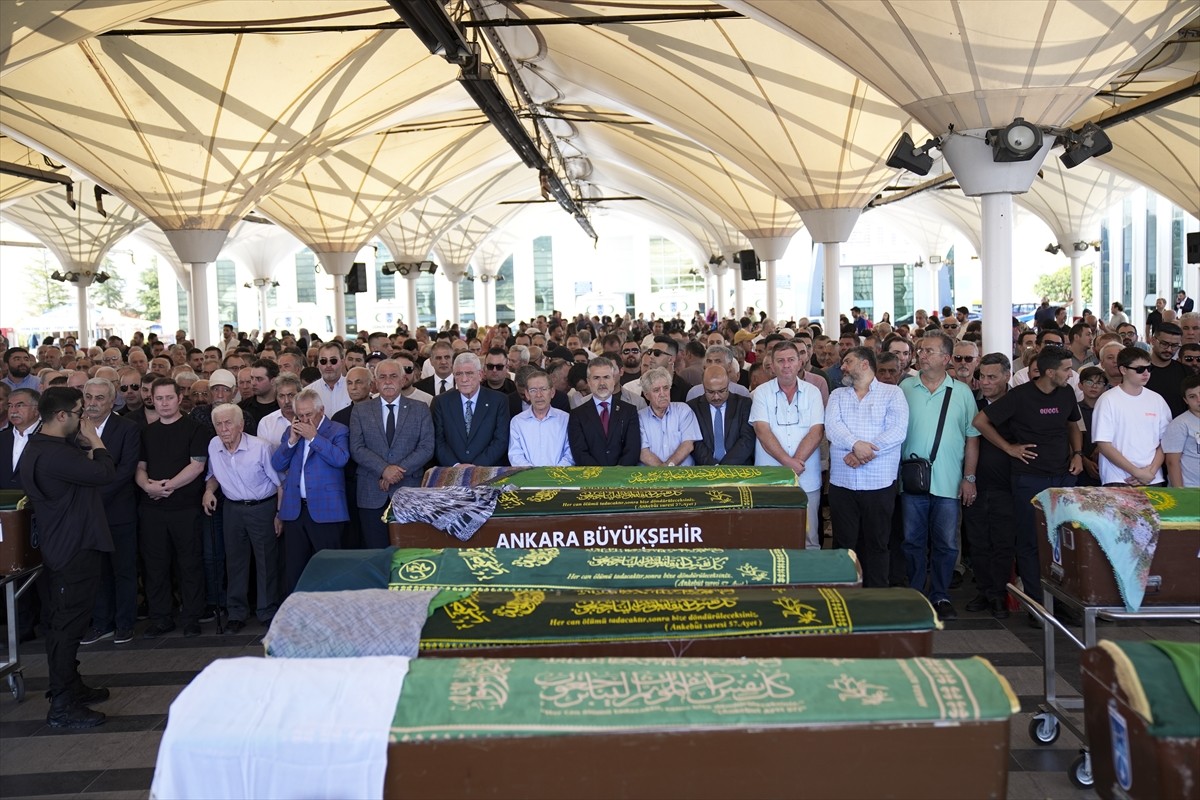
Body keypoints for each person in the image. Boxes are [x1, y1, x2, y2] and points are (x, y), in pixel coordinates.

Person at [21, 387, 115, 728]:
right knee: (67, 627)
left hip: (66, 545)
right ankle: (62, 705)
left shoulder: (44, 446)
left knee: (67, 623)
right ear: (61, 416)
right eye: (79, 413)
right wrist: (97, 442)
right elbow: (105, 473)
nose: (84, 418)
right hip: (72, 548)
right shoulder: (55, 454)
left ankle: (71, 686)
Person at [974, 347, 1082, 612]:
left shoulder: (1067, 392)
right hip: (1028, 478)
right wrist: (1008, 448)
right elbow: (980, 421)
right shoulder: (1019, 396)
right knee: (1030, 541)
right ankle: (1037, 603)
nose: (1071, 374)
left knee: (1062, 540)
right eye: (1067, 369)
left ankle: (1064, 600)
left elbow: (1073, 424)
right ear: (1049, 372)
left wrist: (1077, 453)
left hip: (1062, 477)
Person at [899, 332, 980, 621]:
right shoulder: (905, 387)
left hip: (948, 480)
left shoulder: (961, 392)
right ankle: (916, 593)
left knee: (946, 543)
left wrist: (968, 478)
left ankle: (941, 594)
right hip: (911, 481)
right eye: (920, 350)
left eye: (929, 351)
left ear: (946, 359)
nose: (922, 355)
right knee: (912, 541)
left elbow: (972, 438)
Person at [824, 346, 908, 587]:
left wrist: (863, 453)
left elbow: (896, 431)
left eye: (848, 361)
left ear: (864, 364)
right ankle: (845, 594)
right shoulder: (838, 395)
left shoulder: (892, 394)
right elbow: (833, 428)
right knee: (844, 543)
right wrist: (856, 445)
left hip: (879, 483)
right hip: (843, 483)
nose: (842, 367)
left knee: (878, 543)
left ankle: (876, 599)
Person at [202, 404, 281, 633]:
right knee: (235, 561)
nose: (223, 428)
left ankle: (267, 611)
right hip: (232, 509)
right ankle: (236, 613)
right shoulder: (214, 445)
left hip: (262, 507)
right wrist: (208, 491)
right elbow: (213, 475)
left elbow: (280, 483)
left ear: (241, 425)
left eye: (228, 423)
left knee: (266, 561)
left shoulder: (261, 448)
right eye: (219, 424)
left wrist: (279, 514)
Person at [77, 379, 141, 647]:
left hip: (118, 511)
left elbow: (126, 469)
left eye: (99, 398)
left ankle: (125, 623)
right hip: (86, 514)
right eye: (88, 397)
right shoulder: (74, 429)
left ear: (112, 401)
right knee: (96, 571)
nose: (92, 402)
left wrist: (94, 497)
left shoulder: (128, 428)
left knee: (123, 570)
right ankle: (101, 622)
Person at [270, 389, 350, 592]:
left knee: (329, 568)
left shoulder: (337, 430)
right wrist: (291, 442)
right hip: (295, 511)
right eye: (300, 415)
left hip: (326, 511)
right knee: (295, 568)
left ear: (321, 410)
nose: (305, 420)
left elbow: (340, 459)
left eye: (309, 415)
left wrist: (314, 438)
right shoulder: (292, 432)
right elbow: (278, 464)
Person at [349, 360, 435, 547]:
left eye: (393, 376)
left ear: (403, 379)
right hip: (371, 492)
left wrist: (396, 472)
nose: (388, 381)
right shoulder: (360, 410)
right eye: (383, 377)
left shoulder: (420, 409)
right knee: (375, 552)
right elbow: (357, 447)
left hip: (409, 490)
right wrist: (384, 470)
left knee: (410, 550)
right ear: (375, 382)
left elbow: (427, 447)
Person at [750, 341, 824, 548]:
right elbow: (762, 432)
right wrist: (787, 464)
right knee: (771, 537)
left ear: (800, 362)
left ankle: (810, 582)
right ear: (771, 365)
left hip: (806, 477)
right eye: (780, 361)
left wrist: (795, 463)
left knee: (809, 539)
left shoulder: (813, 392)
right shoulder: (761, 393)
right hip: (771, 479)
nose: (786, 365)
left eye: (791, 360)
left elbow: (816, 431)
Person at [1092, 347, 1171, 486]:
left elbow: (1166, 441)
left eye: (1149, 368)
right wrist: (1136, 472)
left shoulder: (1157, 399)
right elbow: (1104, 444)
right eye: (1139, 369)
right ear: (1123, 370)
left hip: (1152, 477)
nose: (1146, 373)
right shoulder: (1108, 400)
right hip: (1117, 478)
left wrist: (1150, 472)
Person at [431, 352, 510, 467]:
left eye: (469, 373)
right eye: (458, 374)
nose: (464, 379)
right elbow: (438, 440)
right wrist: (456, 465)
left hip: (487, 470)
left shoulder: (498, 401)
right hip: (451, 470)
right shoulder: (441, 402)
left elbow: (501, 440)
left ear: (480, 374)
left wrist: (476, 466)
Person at [568, 356, 641, 466]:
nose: (602, 383)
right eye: (596, 378)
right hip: (591, 479)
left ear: (613, 379)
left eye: (606, 377)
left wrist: (616, 474)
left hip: (622, 479)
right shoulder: (577, 414)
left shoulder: (629, 411)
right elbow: (579, 452)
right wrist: (600, 476)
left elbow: (632, 449)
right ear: (588, 381)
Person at [688, 365, 755, 466]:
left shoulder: (743, 404)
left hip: (739, 468)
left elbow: (747, 439)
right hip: (705, 469)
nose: (716, 397)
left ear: (728, 384)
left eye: (721, 391)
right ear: (703, 386)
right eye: (710, 392)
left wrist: (724, 467)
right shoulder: (693, 407)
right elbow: (695, 443)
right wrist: (714, 466)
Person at [637, 367, 700, 466]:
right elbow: (643, 453)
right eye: (656, 390)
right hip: (651, 476)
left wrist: (669, 467)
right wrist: (663, 471)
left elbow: (688, 445)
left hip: (683, 474)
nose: (663, 394)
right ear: (646, 395)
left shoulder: (683, 410)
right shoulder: (639, 417)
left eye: (666, 388)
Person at [1163, 375, 1200, 488]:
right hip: (1190, 488)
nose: (1199, 400)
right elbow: (1172, 462)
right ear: (1185, 400)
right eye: (1192, 396)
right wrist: (1180, 492)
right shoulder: (1180, 424)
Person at [1145, 323, 1188, 418]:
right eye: (1164, 344)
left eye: (1175, 345)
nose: (1169, 349)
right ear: (1153, 340)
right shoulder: (1138, 370)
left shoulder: (1186, 372)